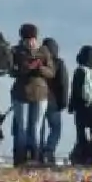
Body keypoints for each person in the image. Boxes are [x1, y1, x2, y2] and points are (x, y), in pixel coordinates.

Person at [9, 24, 56, 167]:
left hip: (40, 94)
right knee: (22, 128)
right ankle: (21, 159)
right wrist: (25, 68)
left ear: (36, 38)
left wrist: (40, 67)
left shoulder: (44, 50)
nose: (30, 42)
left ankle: (36, 157)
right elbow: (11, 71)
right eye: (27, 40)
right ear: (22, 39)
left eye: (32, 39)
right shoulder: (16, 51)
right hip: (21, 94)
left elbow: (51, 72)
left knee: (36, 127)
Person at [40, 37, 69, 165]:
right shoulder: (59, 63)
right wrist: (63, 102)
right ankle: (49, 151)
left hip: (39, 99)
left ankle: (39, 153)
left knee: (39, 128)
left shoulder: (40, 62)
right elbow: (64, 83)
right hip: (53, 102)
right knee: (56, 129)